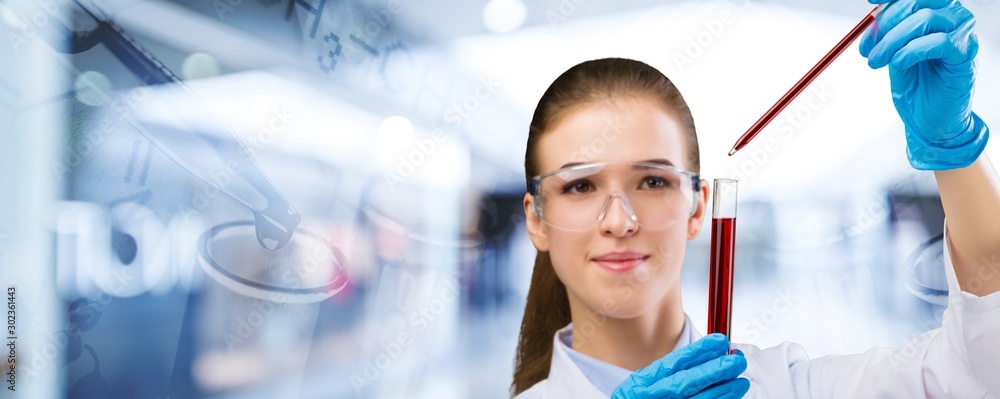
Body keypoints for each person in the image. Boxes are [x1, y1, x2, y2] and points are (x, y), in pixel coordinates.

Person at [510, 0, 999, 397]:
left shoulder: (785, 386)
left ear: (699, 207)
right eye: (579, 186)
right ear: (537, 219)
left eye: (652, 181)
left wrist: (952, 148)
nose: (619, 221)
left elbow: (977, 372)